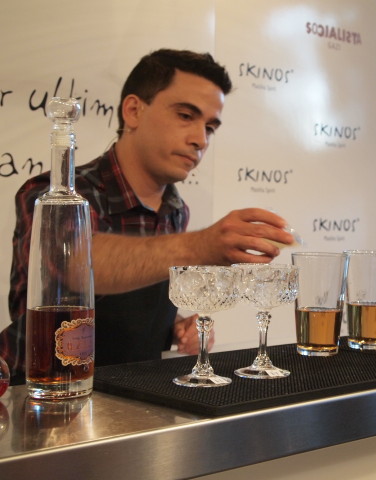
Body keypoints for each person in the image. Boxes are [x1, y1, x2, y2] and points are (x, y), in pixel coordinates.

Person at [0, 49, 295, 383]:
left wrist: (175, 326)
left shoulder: (175, 210)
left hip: (135, 394)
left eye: (210, 128)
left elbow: (127, 310)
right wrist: (202, 246)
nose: (200, 140)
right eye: (185, 115)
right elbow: (75, 265)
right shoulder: (51, 196)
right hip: (43, 393)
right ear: (133, 111)